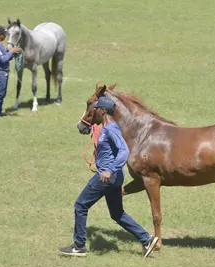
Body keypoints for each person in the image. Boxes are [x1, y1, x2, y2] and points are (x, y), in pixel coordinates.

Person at [59, 96, 159, 258]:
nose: (94, 113)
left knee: (80, 205)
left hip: (106, 176)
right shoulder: (107, 128)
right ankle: (146, 239)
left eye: (96, 110)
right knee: (117, 213)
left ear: (103, 111)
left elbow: (124, 151)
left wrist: (109, 170)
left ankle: (78, 246)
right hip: (114, 176)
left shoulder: (111, 129)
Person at [0, 25, 20, 118]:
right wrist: (11, 51)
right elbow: (2, 59)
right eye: (4, 35)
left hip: (4, 72)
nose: (5, 36)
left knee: (2, 93)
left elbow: (6, 58)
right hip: (0, 73)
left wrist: (14, 53)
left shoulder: (0, 45)